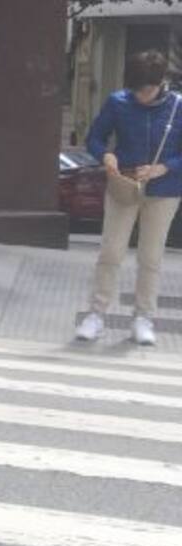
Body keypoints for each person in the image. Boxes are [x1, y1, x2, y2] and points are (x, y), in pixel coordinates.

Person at [77, 50, 182, 346]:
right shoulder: (118, 102)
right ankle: (96, 314)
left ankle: (143, 317)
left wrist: (165, 167)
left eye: (146, 90)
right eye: (136, 90)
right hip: (123, 185)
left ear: (160, 83)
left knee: (151, 256)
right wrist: (105, 155)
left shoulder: (177, 107)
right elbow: (94, 138)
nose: (140, 96)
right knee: (111, 251)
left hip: (164, 191)